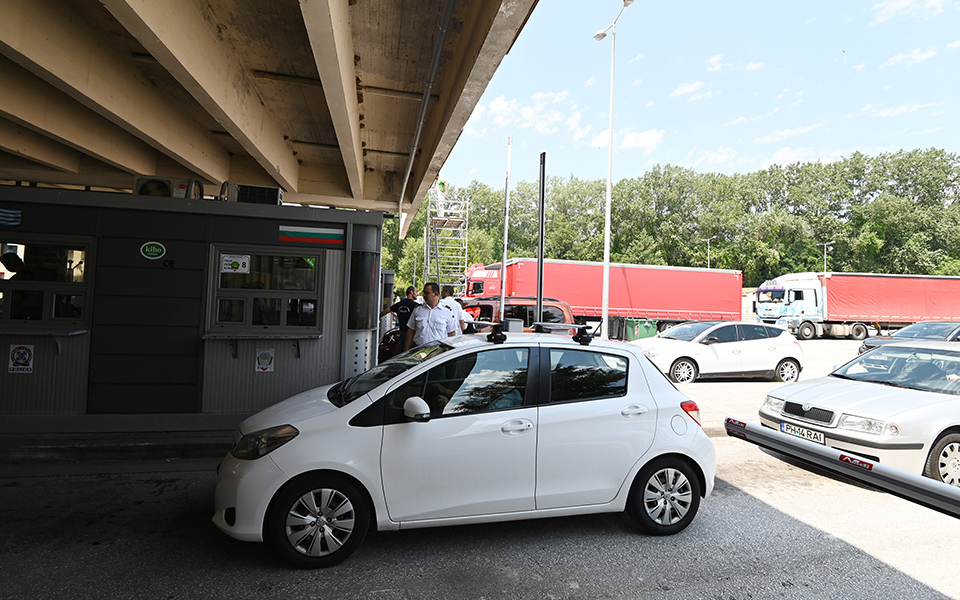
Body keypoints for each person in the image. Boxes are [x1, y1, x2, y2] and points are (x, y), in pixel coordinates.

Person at [404, 282, 459, 350]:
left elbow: (451, 333)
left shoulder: (447, 312)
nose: (424, 295)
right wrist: (406, 349)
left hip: (438, 351)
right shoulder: (417, 310)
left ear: (435, 294)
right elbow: (411, 331)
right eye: (423, 292)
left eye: (427, 293)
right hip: (418, 350)